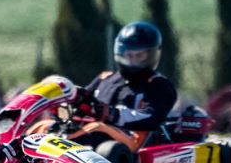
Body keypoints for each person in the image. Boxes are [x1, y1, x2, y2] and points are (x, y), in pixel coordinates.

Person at [73, 20, 178, 148]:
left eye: (139, 56)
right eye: (129, 55)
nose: (133, 60)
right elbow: (85, 101)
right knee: (46, 126)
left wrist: (112, 114)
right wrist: (74, 98)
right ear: (121, 53)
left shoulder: (159, 85)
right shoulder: (106, 78)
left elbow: (151, 118)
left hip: (132, 141)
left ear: (152, 55)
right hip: (93, 132)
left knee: (97, 129)